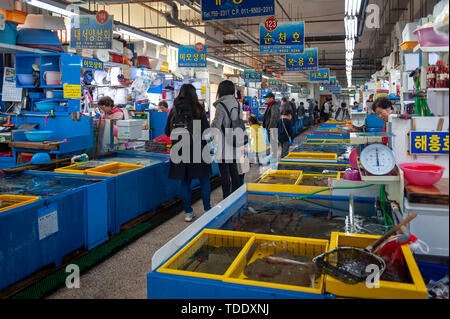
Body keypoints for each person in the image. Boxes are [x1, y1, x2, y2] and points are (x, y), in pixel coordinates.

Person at [165, 84, 212, 222]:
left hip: (179, 150)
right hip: (198, 149)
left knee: (185, 182)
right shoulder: (198, 109)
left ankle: (188, 213)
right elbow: (206, 131)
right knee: (204, 180)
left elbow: (167, 132)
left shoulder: (174, 110)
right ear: (193, 94)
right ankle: (207, 210)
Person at [211, 80, 243, 199]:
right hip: (236, 140)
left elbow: (216, 126)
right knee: (234, 169)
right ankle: (235, 196)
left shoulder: (221, 105)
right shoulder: (237, 103)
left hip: (224, 143)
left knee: (224, 172)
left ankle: (226, 198)